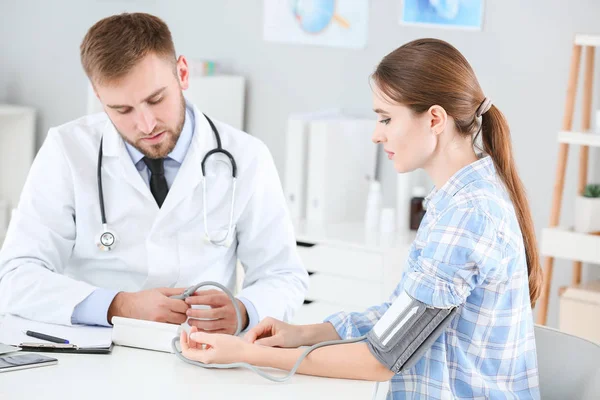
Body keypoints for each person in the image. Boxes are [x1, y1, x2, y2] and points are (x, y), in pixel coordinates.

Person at [177, 38, 542, 399]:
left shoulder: (466, 216)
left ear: (434, 119)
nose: (375, 134)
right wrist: (302, 333)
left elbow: (382, 360)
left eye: (386, 118)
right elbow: (400, 318)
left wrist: (247, 354)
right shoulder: (457, 200)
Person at [0, 13, 309, 333]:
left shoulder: (246, 156)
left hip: (202, 355)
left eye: (156, 99)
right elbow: (15, 276)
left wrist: (244, 310)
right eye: (122, 110)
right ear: (98, 96)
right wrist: (118, 305)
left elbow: (283, 275)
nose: (146, 125)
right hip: (97, 352)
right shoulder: (67, 151)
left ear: (183, 74)